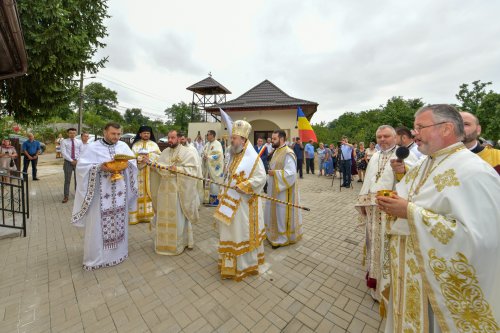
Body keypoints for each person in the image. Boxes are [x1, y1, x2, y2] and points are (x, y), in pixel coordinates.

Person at [378, 104, 500, 332]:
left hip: (437, 290)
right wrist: (394, 201)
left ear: (445, 129)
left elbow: (483, 239)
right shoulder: (426, 162)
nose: (414, 134)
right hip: (412, 277)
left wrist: (409, 212)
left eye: (420, 127)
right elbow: (413, 197)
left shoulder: (474, 171)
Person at [355, 125, 417, 307]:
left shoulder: (405, 155)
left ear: (395, 137)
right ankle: (374, 279)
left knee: (388, 247)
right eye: (379, 136)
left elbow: (412, 181)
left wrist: (402, 170)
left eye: (386, 136)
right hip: (374, 210)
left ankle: (388, 286)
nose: (382, 139)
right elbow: (368, 181)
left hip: (392, 213)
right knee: (373, 244)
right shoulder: (375, 155)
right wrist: (364, 204)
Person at [71, 122, 138, 270]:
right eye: (113, 134)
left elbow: (133, 163)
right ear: (105, 132)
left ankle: (119, 254)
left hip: (119, 193)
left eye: (119, 134)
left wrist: (128, 165)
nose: (116, 137)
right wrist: (99, 167)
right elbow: (82, 167)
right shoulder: (92, 147)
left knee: (119, 220)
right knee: (98, 225)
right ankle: (97, 259)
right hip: (99, 195)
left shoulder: (123, 147)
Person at [214, 120, 267, 281]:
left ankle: (244, 266)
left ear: (243, 140)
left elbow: (261, 177)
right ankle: (229, 264)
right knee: (229, 232)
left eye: (235, 138)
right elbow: (227, 176)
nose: (232, 141)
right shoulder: (232, 155)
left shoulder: (253, 158)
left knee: (241, 233)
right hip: (229, 203)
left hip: (244, 204)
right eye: (232, 138)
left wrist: (245, 185)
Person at [149, 130, 201, 255]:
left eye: (173, 137)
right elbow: (160, 167)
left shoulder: (188, 152)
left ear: (179, 138)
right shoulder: (165, 152)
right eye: (169, 138)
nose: (170, 140)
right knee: (164, 216)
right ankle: (163, 244)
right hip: (163, 189)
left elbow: (193, 171)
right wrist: (152, 165)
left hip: (178, 191)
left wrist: (177, 169)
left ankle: (179, 244)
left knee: (177, 217)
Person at [265, 130, 302, 248]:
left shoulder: (288, 152)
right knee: (274, 212)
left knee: (281, 213)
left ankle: (282, 237)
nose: (272, 141)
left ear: (281, 139)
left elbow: (291, 173)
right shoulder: (276, 151)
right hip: (274, 188)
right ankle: (273, 233)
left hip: (283, 191)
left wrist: (274, 173)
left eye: (274, 139)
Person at [128, 125, 161, 225]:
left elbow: (159, 156)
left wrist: (149, 157)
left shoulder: (154, 145)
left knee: (151, 190)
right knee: (138, 192)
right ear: (140, 134)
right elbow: (130, 158)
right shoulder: (135, 145)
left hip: (151, 172)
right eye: (144, 133)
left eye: (148, 133)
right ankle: (137, 216)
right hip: (138, 173)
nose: (146, 135)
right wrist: (139, 159)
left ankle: (150, 215)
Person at [202, 130, 224, 206]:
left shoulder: (217, 144)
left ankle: (215, 201)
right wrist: (203, 157)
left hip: (214, 168)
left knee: (214, 184)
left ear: (212, 135)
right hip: (208, 168)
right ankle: (207, 199)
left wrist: (208, 157)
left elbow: (219, 155)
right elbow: (203, 153)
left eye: (208, 135)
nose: (207, 136)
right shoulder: (207, 144)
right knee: (207, 183)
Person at [61, 128, 82, 203]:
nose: (72, 134)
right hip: (68, 162)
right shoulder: (64, 141)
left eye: (73, 133)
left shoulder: (79, 142)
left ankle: (77, 195)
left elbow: (81, 152)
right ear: (68, 133)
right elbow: (63, 152)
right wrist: (71, 160)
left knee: (78, 180)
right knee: (67, 180)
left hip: (77, 162)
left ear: (76, 133)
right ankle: (66, 196)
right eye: (70, 133)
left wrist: (77, 160)